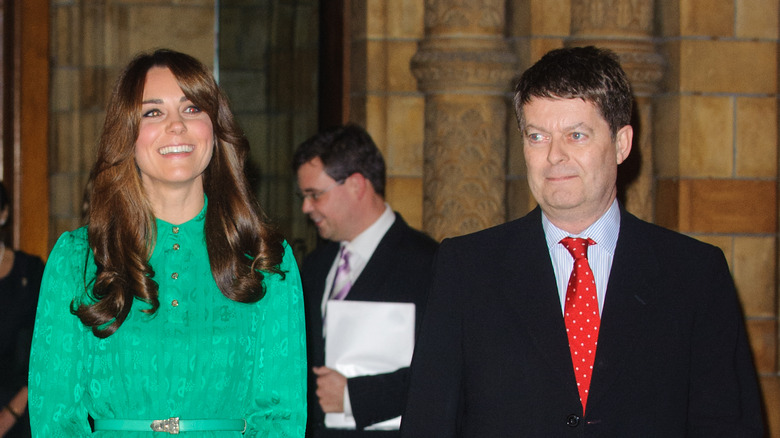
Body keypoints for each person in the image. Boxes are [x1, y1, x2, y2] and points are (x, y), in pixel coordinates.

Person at [400, 46, 764, 437]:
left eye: (576, 135)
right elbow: (428, 421)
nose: (555, 156)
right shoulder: (467, 268)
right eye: (537, 137)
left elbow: (727, 425)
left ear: (622, 144)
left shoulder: (693, 274)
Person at [28, 49, 307, 437]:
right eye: (153, 112)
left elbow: (281, 417)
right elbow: (55, 419)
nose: (177, 126)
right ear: (125, 133)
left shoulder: (266, 259)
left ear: (215, 127)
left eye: (192, 109)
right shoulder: (78, 258)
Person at [293, 124, 438, 437]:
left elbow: (445, 373)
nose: (306, 208)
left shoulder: (430, 264)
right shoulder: (315, 265)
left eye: (315, 195)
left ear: (357, 185)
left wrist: (353, 396)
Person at [0, 182, 44, 438]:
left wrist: (10, 414)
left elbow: (46, 351)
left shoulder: (31, 271)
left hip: (22, 413)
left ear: (4, 213)